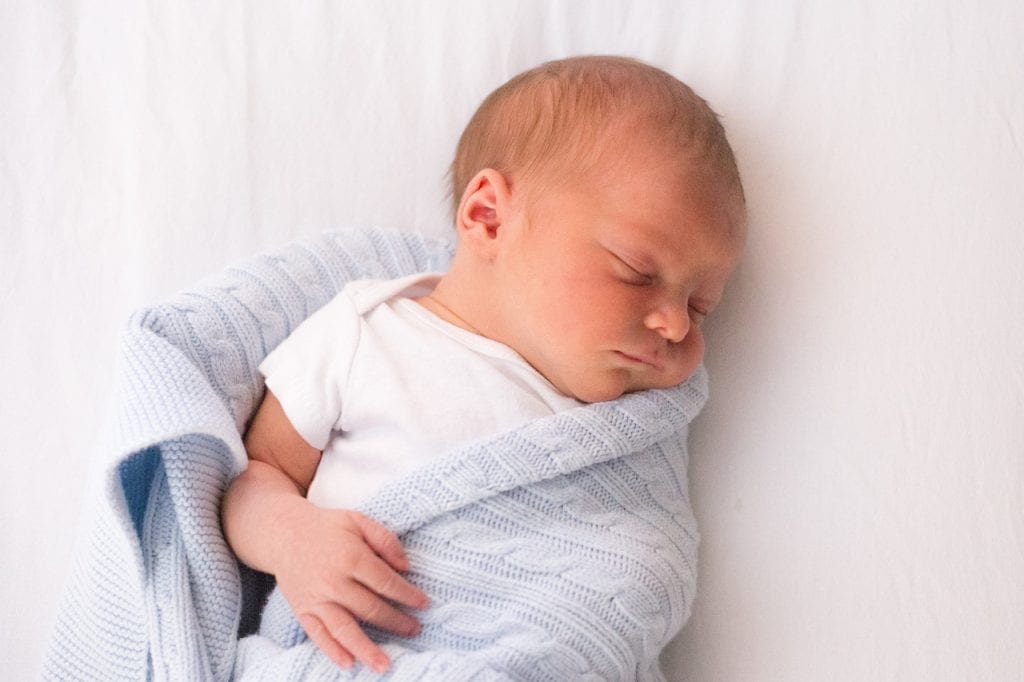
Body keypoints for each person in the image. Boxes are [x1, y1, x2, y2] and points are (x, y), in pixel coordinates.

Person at [221, 55, 746, 674]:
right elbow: (257, 474)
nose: (677, 324)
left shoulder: (628, 425)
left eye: (701, 306)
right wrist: (294, 539)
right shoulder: (368, 335)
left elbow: (637, 564)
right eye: (637, 272)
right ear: (488, 218)